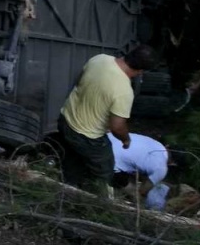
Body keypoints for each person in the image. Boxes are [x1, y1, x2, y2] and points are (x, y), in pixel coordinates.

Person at [57, 45, 159, 194]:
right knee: (104, 170)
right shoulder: (124, 91)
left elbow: (80, 82)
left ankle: (66, 189)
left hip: (65, 120)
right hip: (87, 137)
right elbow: (117, 126)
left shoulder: (99, 59)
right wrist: (126, 140)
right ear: (141, 71)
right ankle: (103, 205)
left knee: (72, 160)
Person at [107, 132, 171, 210]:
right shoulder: (162, 169)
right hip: (109, 160)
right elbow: (142, 191)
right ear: (174, 163)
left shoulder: (158, 145)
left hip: (105, 139)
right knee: (135, 193)